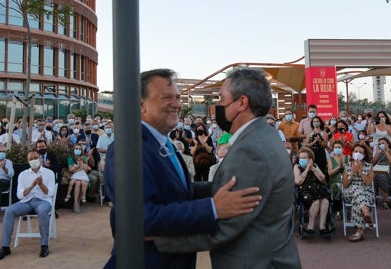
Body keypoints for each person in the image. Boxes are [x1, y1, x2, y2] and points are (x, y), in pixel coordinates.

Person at [104, 69, 262, 269]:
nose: (177, 104)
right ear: (141, 105)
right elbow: (141, 219)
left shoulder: (164, 144)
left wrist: (221, 187)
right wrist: (213, 208)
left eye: (178, 97)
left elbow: (176, 192)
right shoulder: (128, 149)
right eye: (167, 97)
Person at [153, 67, 301, 268]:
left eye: (222, 99)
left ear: (241, 103)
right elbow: (226, 189)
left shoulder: (251, 150)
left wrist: (156, 237)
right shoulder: (264, 135)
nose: (218, 105)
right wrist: (182, 188)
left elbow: (226, 225)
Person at [0, 150, 56, 261]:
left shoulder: (49, 173)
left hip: (43, 201)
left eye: (35, 158)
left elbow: (50, 193)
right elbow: (20, 195)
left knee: (42, 211)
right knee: (9, 211)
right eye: (31, 159)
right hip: (27, 201)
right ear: (28, 161)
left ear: (40, 159)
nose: (33, 160)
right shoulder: (23, 174)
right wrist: (32, 186)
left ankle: (44, 245)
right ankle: (5, 246)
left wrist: (41, 185)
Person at [342, 142, 375, 242]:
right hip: (349, 192)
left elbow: (368, 183)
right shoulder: (347, 166)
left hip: (366, 193)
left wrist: (360, 172)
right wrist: (352, 173)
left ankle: (359, 233)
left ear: (364, 155)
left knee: (357, 200)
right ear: (352, 153)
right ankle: (365, 211)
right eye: (356, 151)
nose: (358, 153)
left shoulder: (369, 166)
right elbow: (345, 185)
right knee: (356, 188)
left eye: (360, 152)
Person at [294, 147, 331, 236]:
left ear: (310, 159)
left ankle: (322, 227)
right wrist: (307, 169)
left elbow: (323, 179)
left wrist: (313, 168)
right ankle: (310, 227)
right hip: (304, 190)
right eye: (300, 158)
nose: (301, 160)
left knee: (325, 201)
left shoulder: (314, 166)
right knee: (317, 201)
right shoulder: (297, 167)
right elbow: (298, 181)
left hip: (317, 188)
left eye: (304, 158)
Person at [371, 136, 391, 209]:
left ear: (387, 144)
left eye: (383, 143)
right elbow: (372, 162)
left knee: (380, 176)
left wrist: (386, 152)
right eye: (379, 144)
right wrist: (377, 153)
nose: (381, 145)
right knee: (372, 176)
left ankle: (385, 199)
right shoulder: (379, 152)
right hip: (379, 170)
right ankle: (372, 198)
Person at [64, 143, 91, 213]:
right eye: (76, 149)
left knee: (83, 183)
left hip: (83, 176)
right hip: (73, 176)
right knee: (77, 183)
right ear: (73, 150)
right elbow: (70, 170)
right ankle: (76, 203)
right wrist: (79, 168)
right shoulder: (70, 158)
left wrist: (83, 166)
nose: (78, 150)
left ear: (81, 150)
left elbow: (86, 170)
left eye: (79, 149)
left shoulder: (84, 158)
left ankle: (77, 203)